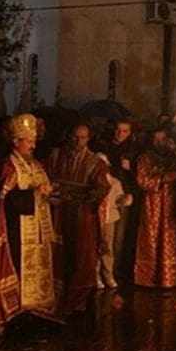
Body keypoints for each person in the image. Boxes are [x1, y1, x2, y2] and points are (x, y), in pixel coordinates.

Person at [0, 114, 60, 333]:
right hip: (15, 230)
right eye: (29, 141)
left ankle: (34, 309)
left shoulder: (36, 165)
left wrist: (50, 194)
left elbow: (41, 194)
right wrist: (34, 194)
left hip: (37, 228)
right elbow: (5, 202)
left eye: (34, 140)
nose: (34, 144)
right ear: (16, 141)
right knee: (19, 268)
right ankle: (14, 311)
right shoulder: (7, 167)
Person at [46, 123, 110, 316]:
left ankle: (79, 299)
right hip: (59, 213)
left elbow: (102, 187)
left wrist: (89, 196)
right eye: (75, 137)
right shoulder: (56, 155)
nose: (78, 141)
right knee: (59, 253)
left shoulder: (94, 162)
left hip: (83, 214)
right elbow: (45, 177)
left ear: (88, 139)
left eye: (82, 138)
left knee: (82, 255)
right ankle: (56, 298)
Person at [133, 128, 176, 289]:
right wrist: (164, 178)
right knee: (152, 239)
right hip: (152, 205)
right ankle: (148, 279)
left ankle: (170, 279)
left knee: (170, 239)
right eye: (156, 140)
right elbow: (142, 181)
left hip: (172, 204)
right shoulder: (144, 159)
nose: (159, 143)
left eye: (162, 140)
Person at [95, 119, 140, 282]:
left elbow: (138, 177)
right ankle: (100, 272)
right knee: (101, 238)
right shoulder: (103, 146)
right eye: (118, 130)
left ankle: (114, 271)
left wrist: (130, 171)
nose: (120, 134)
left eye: (124, 131)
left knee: (118, 237)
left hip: (121, 196)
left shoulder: (133, 150)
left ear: (130, 132)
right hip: (103, 196)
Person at [94, 153, 132, 290]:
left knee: (107, 247)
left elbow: (118, 199)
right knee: (95, 248)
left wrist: (124, 199)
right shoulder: (92, 183)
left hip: (109, 219)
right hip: (95, 219)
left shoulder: (114, 183)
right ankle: (95, 276)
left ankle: (108, 274)